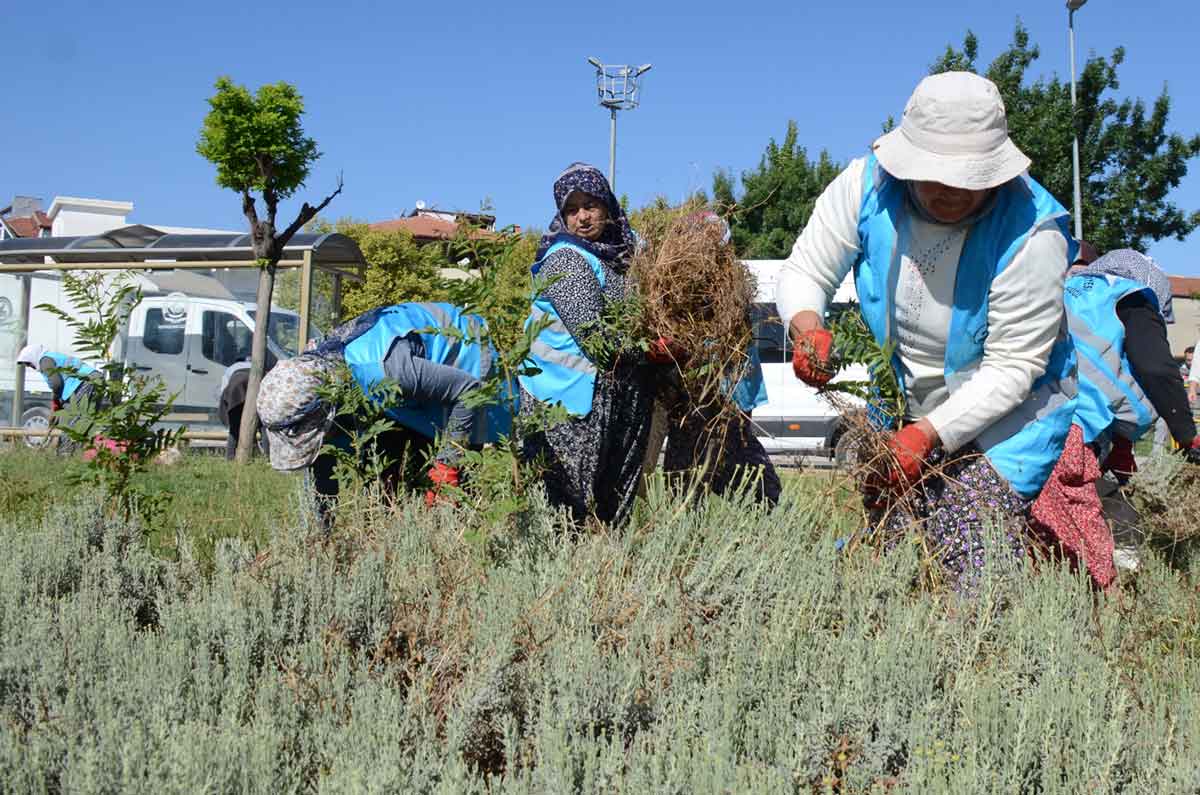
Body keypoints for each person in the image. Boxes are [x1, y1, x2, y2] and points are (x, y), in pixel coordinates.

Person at [776, 72, 1077, 587]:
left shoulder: (1032, 231)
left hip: (1008, 416)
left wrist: (930, 434)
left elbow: (1013, 367)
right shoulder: (864, 186)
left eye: (969, 177)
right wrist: (807, 327)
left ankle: (977, 658)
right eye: (937, 174)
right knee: (895, 548)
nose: (952, 191)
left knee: (967, 545)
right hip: (902, 404)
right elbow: (807, 270)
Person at [256, 302, 515, 524]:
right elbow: (321, 466)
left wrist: (447, 463)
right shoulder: (312, 374)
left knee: (448, 488)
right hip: (408, 387)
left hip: (464, 358)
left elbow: (468, 391)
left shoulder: (385, 371)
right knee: (385, 481)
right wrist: (318, 531)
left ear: (327, 409)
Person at [1033, 249, 1200, 583]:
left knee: (1034, 533)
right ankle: (1098, 611)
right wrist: (1187, 433)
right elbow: (1154, 367)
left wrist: (1121, 441)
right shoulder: (1132, 298)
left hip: (1017, 423)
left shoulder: (1064, 291)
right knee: (1085, 551)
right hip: (1069, 431)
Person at [519, 162, 663, 527]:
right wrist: (657, 350)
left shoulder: (625, 256)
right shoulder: (564, 259)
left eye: (590, 205)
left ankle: (611, 580)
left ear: (608, 205)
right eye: (571, 209)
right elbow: (598, 340)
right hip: (566, 406)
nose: (582, 217)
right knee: (569, 515)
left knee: (614, 512)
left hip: (618, 396)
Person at [16, 344, 101, 449]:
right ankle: (78, 455)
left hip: (85, 382)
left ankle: (65, 455)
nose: (31, 367)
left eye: (29, 363)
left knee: (72, 424)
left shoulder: (45, 361)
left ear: (33, 356)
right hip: (95, 380)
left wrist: (56, 404)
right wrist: (58, 409)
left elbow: (56, 384)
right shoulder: (52, 357)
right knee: (84, 423)